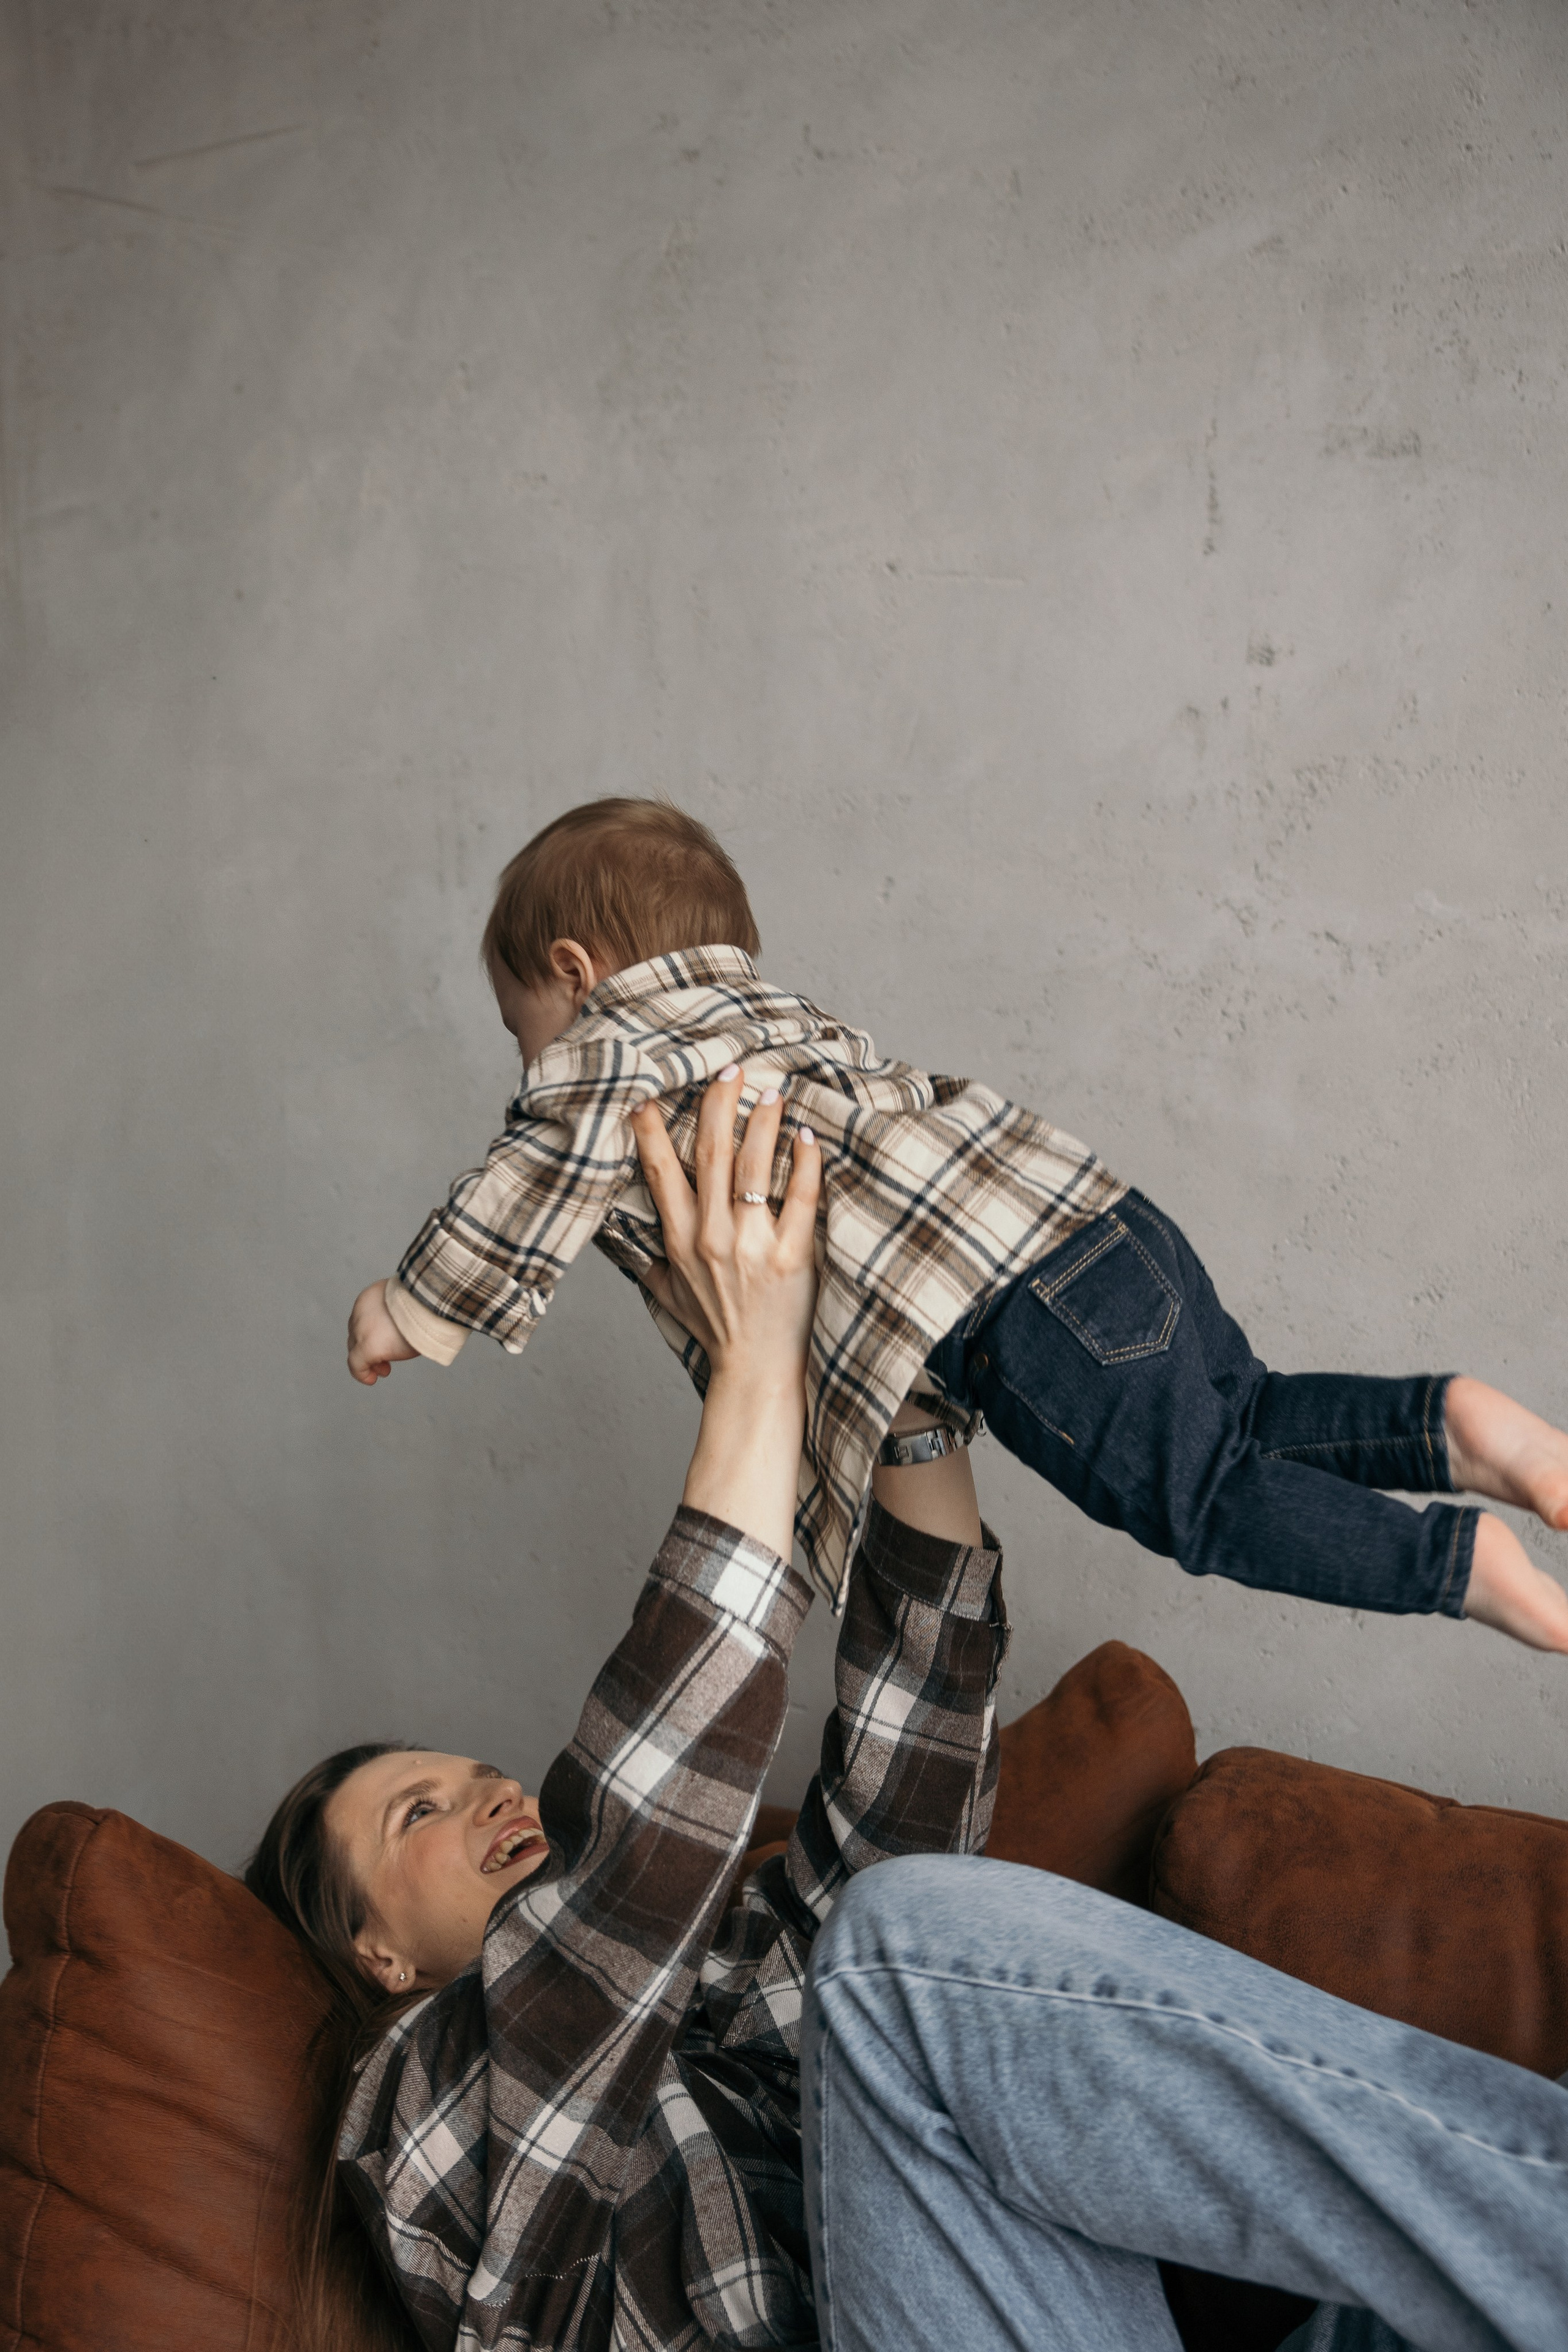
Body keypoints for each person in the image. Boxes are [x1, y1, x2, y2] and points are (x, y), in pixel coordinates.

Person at [255, 1076, 1567, 2352]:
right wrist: (753, 1382)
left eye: (481, 1772)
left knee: (900, 1934)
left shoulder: (721, 1969)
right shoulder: (414, 2112)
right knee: (889, 1955)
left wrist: (886, 1384)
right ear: (373, 1950)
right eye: (416, 1811)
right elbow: (628, 1884)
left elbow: (908, 1798)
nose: (491, 1795)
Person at [344, 796, 1568, 1656]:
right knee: (1241, 1410)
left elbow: (528, 1171)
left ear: (575, 970)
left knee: (1199, 1499)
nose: (533, 1066)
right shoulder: (775, 1019)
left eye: (523, 1031)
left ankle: (1453, 1569)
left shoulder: (616, 1043)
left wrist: (406, 1306)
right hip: (1095, 1218)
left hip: (1015, 1307)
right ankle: (1448, 1422)